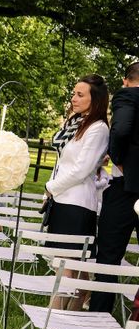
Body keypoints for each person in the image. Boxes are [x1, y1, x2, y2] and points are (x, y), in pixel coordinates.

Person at [44, 74, 109, 311]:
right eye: (73, 93)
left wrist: (50, 188)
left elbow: (82, 170)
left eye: (80, 95)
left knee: (66, 267)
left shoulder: (98, 128)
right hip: (63, 199)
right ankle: (71, 318)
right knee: (71, 267)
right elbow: (63, 163)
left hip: (77, 204)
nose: (74, 98)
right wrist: (51, 190)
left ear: (96, 99)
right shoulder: (76, 123)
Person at [89, 63, 139, 313]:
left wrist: (118, 158)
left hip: (125, 188)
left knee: (108, 256)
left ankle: (96, 326)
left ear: (125, 81)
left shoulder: (128, 95)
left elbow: (120, 129)